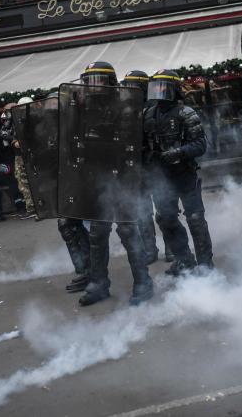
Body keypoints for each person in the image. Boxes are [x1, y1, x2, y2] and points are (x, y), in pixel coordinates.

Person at [76, 60, 153, 307]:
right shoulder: (83, 110)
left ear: (110, 82)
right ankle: (99, 284)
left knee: (129, 232)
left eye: (98, 80)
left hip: (122, 180)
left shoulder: (126, 107)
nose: (93, 86)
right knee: (97, 235)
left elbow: (132, 145)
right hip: (97, 181)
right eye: (89, 81)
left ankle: (143, 282)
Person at [143, 69, 214, 275]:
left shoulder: (186, 113)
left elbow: (201, 145)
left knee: (195, 219)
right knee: (166, 219)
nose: (159, 91)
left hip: (184, 174)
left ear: (174, 89)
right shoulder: (148, 114)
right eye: (156, 87)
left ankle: (206, 264)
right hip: (161, 178)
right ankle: (184, 259)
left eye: (164, 87)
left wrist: (179, 152)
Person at [122, 69, 166, 264]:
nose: (127, 90)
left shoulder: (155, 107)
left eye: (131, 85)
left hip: (154, 165)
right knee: (142, 212)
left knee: (164, 210)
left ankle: (172, 248)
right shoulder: (124, 109)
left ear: (140, 86)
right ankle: (150, 249)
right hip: (135, 168)